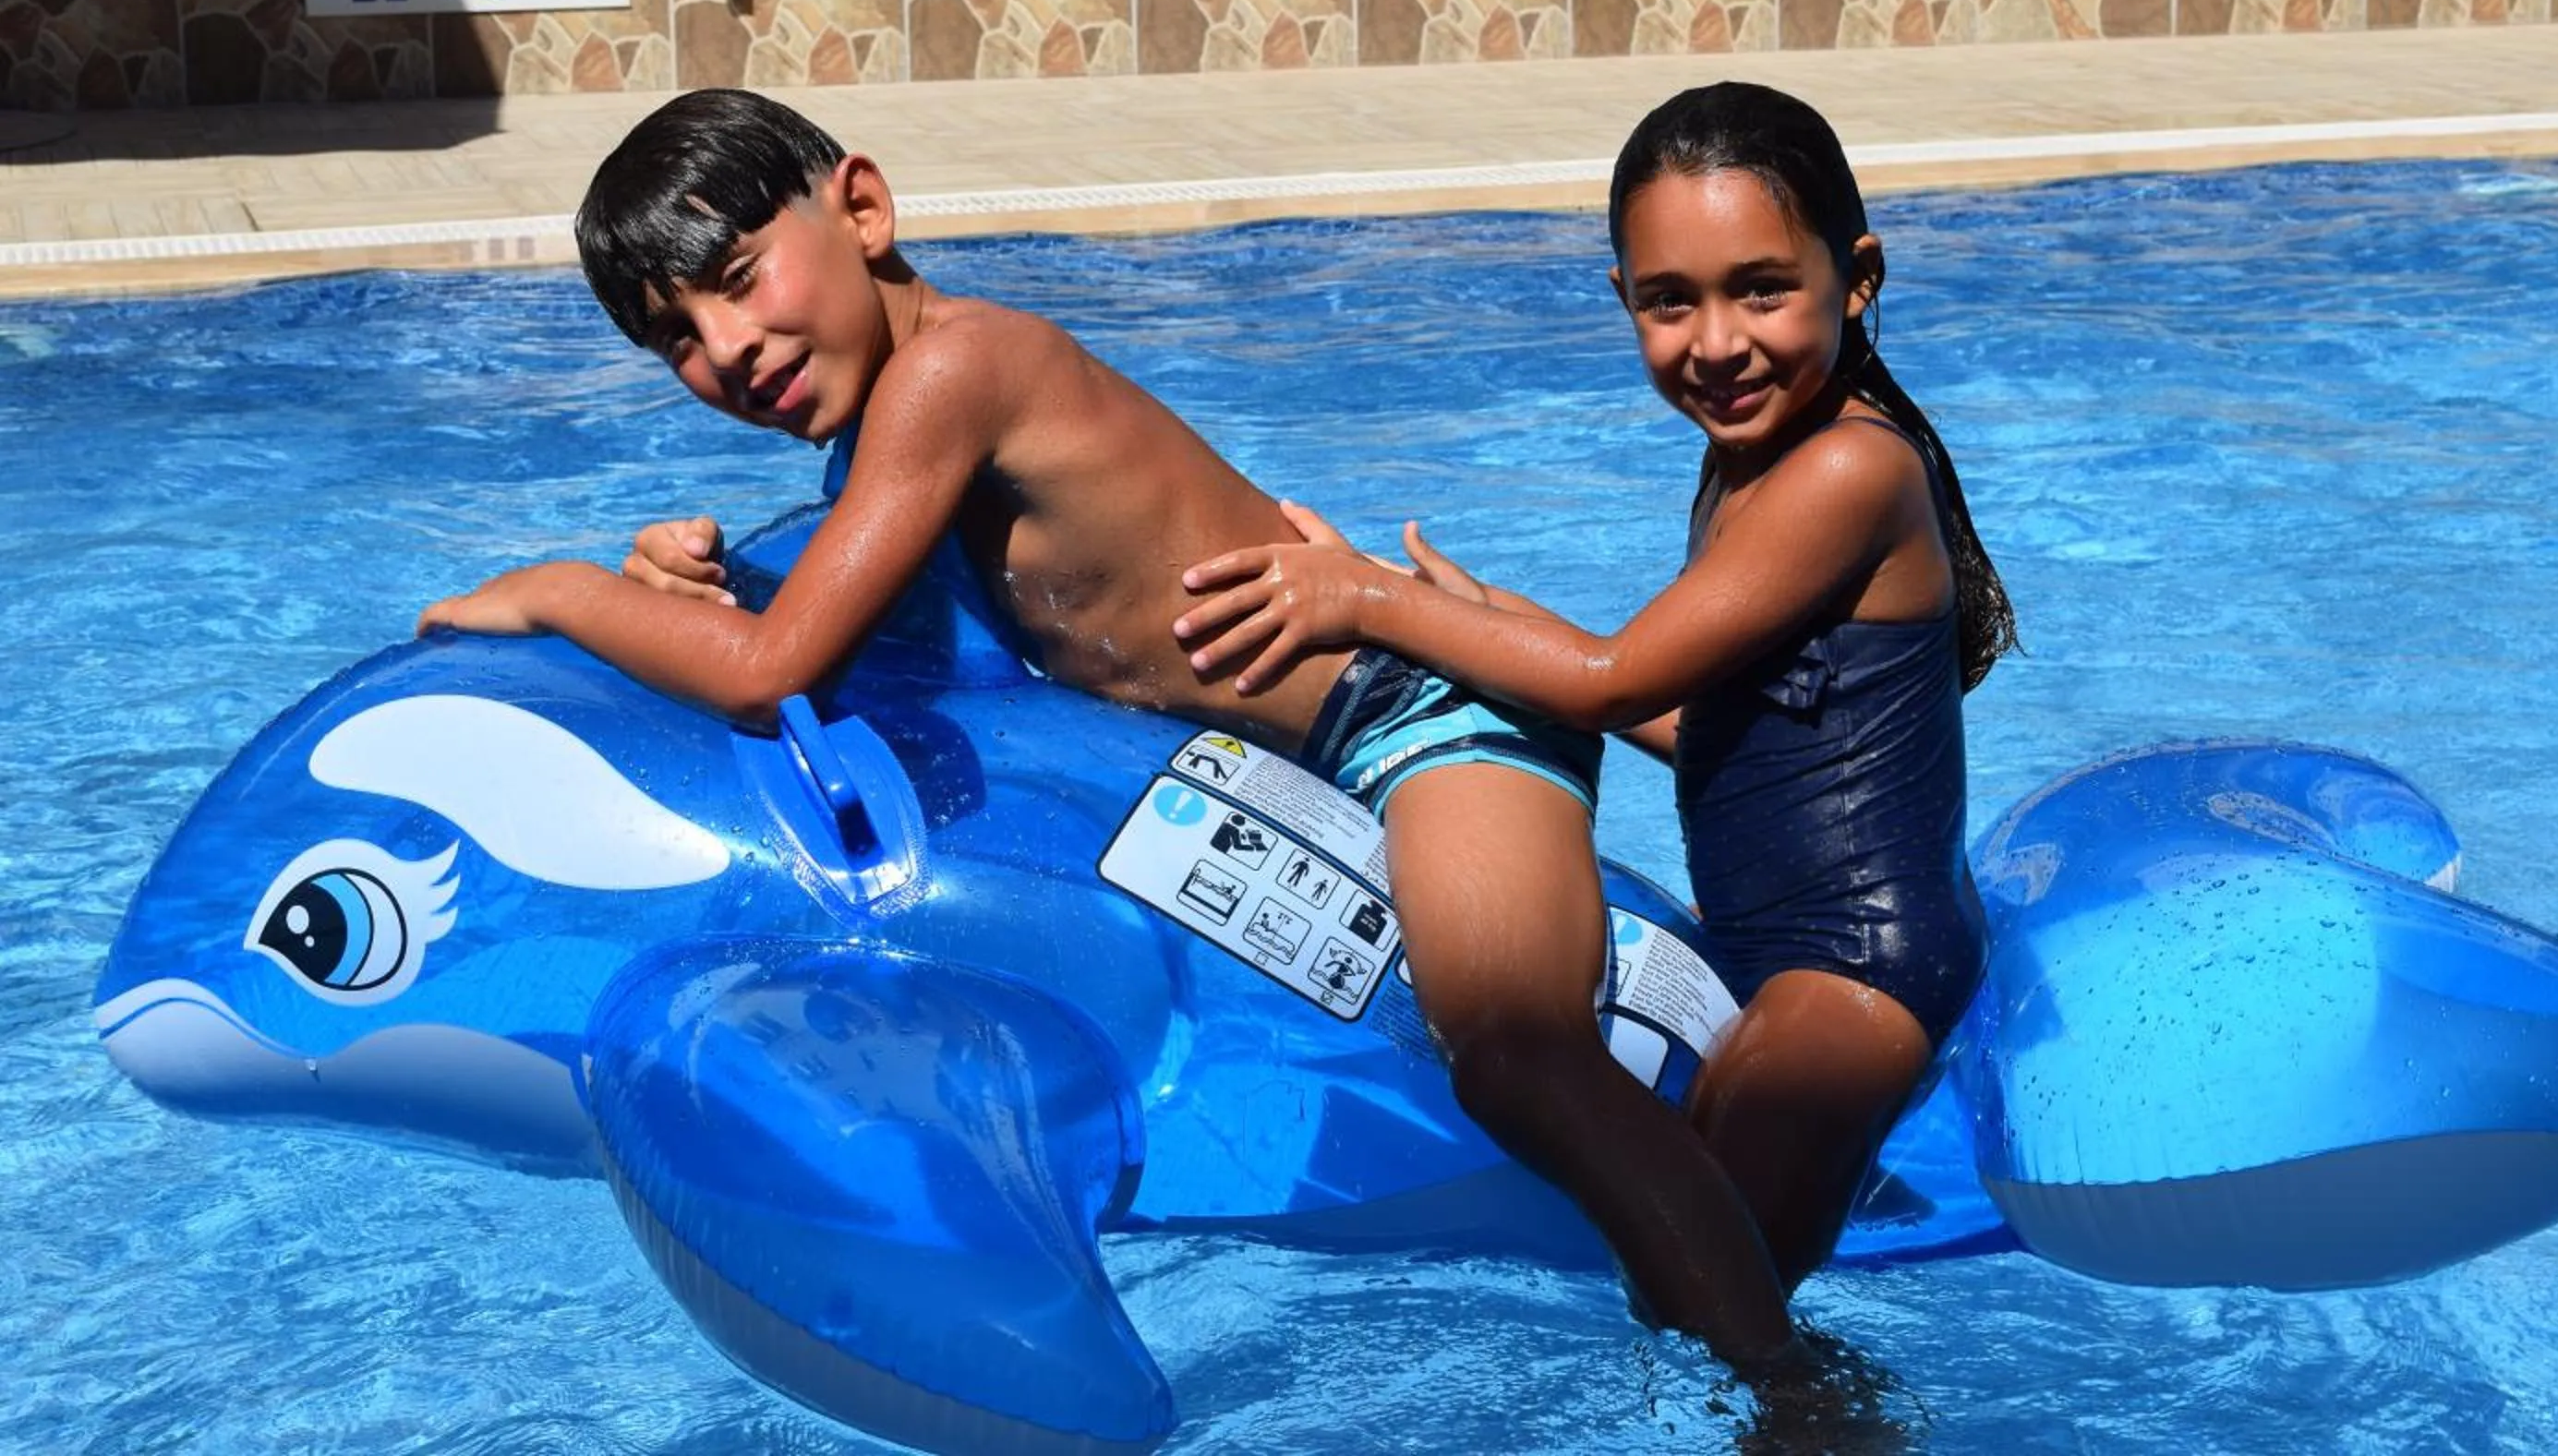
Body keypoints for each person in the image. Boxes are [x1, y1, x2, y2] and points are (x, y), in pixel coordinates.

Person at [413, 88, 1807, 1378]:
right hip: (1317, 762)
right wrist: (695, 586)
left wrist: (567, 592)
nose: (726, 349)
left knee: (1514, 1051)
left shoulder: (959, 371)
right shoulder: (887, 438)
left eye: (737, 278)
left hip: (1426, 714)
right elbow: (870, 652)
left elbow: (773, 670)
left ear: (864, 209)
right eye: (675, 338)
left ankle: (1787, 1385)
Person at [1176, 80, 2016, 1290]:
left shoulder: (1846, 472)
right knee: (1692, 1281)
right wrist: (1479, 615)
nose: (1716, 343)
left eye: (1761, 289)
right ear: (1624, 299)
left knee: (1725, 1310)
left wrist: (1366, 602)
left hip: (1856, 972)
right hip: (1781, 950)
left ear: (1858, 277)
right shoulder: (1752, 457)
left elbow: (1614, 686)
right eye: (1672, 301)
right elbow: (1707, 724)